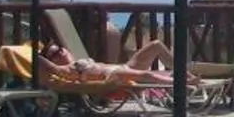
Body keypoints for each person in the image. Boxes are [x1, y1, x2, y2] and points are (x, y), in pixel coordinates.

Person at [37, 40, 177, 87]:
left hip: (124, 66)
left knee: (156, 45)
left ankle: (186, 75)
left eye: (60, 49)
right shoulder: (66, 70)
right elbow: (51, 67)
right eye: (55, 54)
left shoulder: (76, 61)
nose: (61, 53)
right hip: (112, 75)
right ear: (53, 60)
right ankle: (182, 83)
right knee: (147, 74)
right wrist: (36, 56)